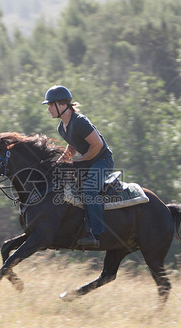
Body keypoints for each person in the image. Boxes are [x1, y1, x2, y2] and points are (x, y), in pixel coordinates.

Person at [42, 85, 114, 248]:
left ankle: (95, 234)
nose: (49, 109)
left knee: (89, 189)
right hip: (88, 160)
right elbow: (72, 147)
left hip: (103, 161)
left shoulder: (80, 122)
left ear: (61, 105)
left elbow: (97, 145)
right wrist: (60, 162)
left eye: (50, 105)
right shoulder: (62, 127)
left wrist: (78, 163)